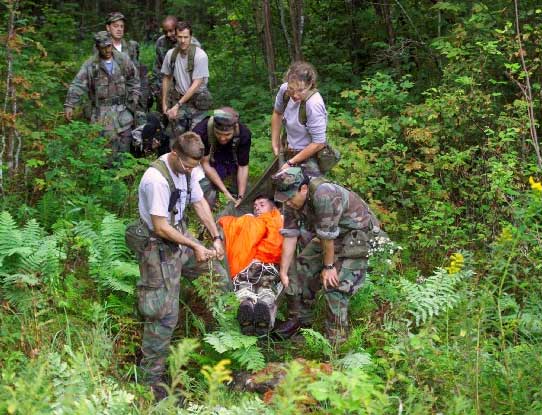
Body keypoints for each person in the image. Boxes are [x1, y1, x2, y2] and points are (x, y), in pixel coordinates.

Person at [136, 131, 227, 401]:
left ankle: (220, 349)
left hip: (180, 236)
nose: (191, 170)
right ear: (175, 154)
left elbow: (198, 202)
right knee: (164, 314)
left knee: (217, 278)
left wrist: (215, 237)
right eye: (187, 165)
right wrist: (196, 246)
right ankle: (149, 381)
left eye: (195, 166)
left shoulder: (190, 169)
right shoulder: (156, 179)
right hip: (158, 245)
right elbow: (160, 226)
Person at [272, 167, 388, 344]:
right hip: (332, 236)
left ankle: (337, 341)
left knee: (334, 285)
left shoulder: (324, 195)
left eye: (289, 198)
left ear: (303, 189)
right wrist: (284, 270)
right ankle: (302, 323)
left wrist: (329, 267)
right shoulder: (291, 201)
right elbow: (290, 234)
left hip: (357, 236)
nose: (287, 203)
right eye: (284, 199)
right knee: (302, 268)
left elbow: (327, 237)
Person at [64, 31, 140, 157]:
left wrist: (134, 99)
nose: (107, 50)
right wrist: (69, 104)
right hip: (102, 115)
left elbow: (134, 79)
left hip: (124, 113)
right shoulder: (91, 65)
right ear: (98, 47)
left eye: (109, 46)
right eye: (103, 47)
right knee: (107, 154)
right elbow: (78, 84)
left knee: (126, 153)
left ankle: (126, 176)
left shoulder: (123, 59)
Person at [218, 196, 283, 335]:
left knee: (247, 288)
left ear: (273, 207)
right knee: (265, 290)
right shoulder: (252, 220)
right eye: (255, 206)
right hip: (258, 266)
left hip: (254, 266)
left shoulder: (277, 219)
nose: (257, 208)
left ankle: (247, 306)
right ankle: (261, 313)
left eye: (261, 204)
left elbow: (229, 226)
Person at [270, 61, 328, 177]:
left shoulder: (314, 104)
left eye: (301, 90)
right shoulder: (284, 91)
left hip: (309, 156)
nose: (295, 95)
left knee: (306, 191)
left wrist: (291, 163)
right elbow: (277, 113)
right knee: (279, 189)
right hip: (287, 150)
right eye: (292, 89)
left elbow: (319, 143)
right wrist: (275, 144)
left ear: (310, 84)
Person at [193, 107, 251, 209]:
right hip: (207, 163)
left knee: (247, 193)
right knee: (205, 195)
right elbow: (205, 163)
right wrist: (224, 191)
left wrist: (241, 196)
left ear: (235, 128)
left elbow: (243, 166)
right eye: (218, 134)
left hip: (229, 161)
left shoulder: (244, 134)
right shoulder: (201, 132)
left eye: (227, 135)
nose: (222, 138)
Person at [161, 21, 212, 136]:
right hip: (180, 100)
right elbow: (166, 78)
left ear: (191, 37)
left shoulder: (200, 56)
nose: (183, 41)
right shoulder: (171, 55)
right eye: (180, 37)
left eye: (186, 37)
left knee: (195, 137)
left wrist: (177, 105)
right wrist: (164, 102)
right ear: (175, 36)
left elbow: (196, 84)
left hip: (198, 102)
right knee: (175, 137)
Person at [152, 15, 201, 113]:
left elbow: (196, 76)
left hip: (185, 90)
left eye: (171, 31)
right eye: (165, 32)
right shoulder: (161, 42)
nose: (168, 34)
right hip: (167, 87)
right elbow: (158, 67)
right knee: (164, 117)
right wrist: (158, 89)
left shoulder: (192, 44)